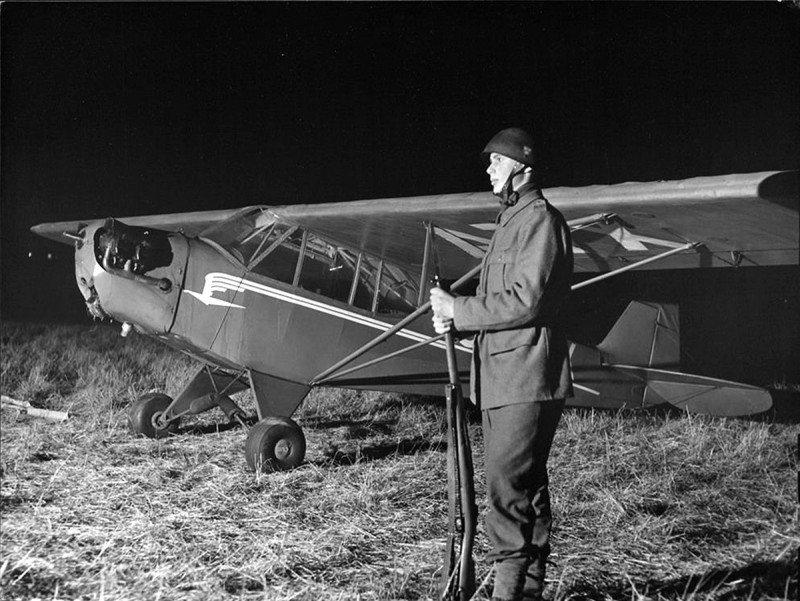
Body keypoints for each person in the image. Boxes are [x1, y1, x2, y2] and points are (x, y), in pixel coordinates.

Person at [430, 127, 573, 601]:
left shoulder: (541, 222)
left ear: (523, 168)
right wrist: (457, 314)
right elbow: (500, 302)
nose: (489, 169)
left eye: (497, 161)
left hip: (525, 379)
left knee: (505, 496)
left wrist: (459, 310)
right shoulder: (511, 222)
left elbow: (526, 301)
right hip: (499, 380)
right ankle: (526, 594)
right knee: (525, 493)